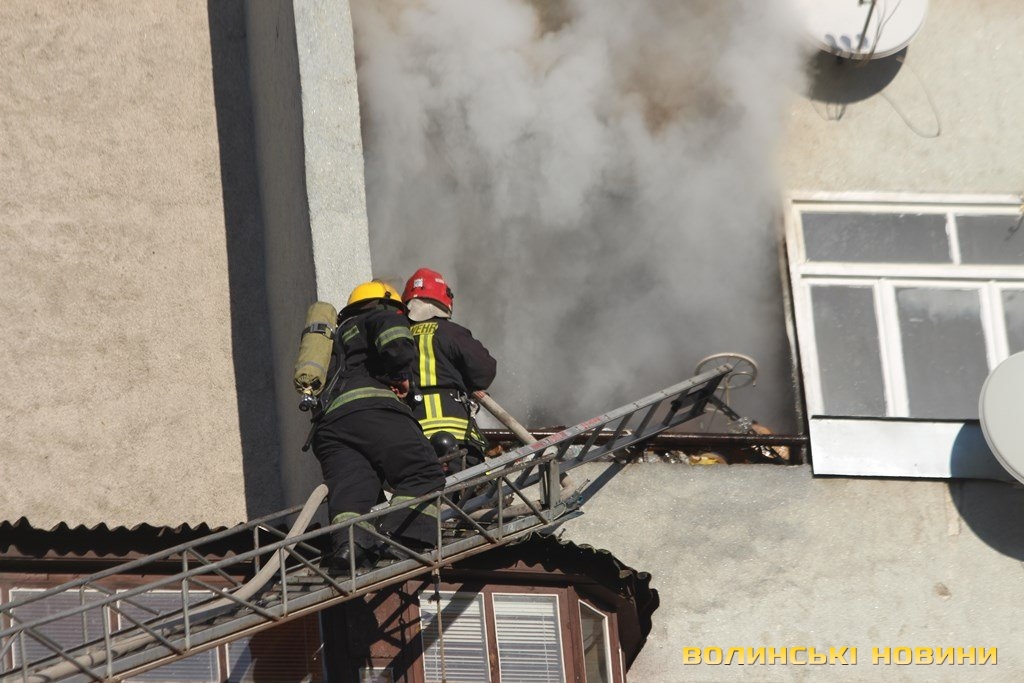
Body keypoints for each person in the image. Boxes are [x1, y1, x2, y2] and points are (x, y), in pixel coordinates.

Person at [311, 280, 446, 570]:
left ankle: (351, 548)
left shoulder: (334, 339)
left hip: (329, 427)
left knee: (353, 490)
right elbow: (397, 344)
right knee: (422, 471)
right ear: (386, 303)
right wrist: (400, 375)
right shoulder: (381, 315)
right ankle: (403, 538)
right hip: (372, 410)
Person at [402, 268, 497, 472]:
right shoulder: (453, 333)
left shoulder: (398, 337)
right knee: (473, 486)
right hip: (456, 438)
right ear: (445, 300)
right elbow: (484, 371)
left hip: (411, 435)